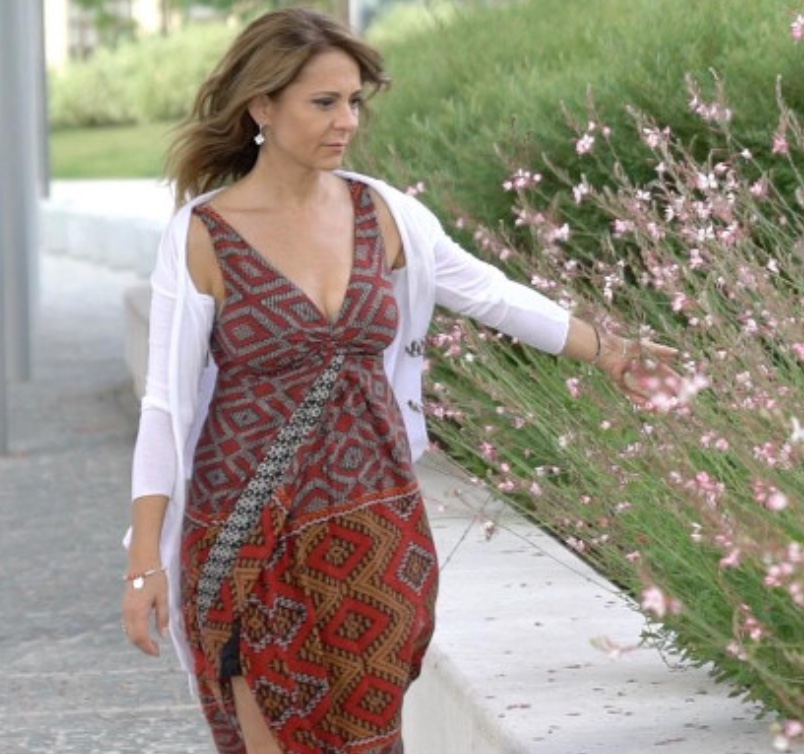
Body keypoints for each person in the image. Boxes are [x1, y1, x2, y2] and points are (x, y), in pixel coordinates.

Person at [120, 7, 677, 754]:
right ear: (262, 107)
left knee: (371, 739)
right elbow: (164, 405)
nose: (346, 121)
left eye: (354, 101)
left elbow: (491, 294)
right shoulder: (202, 234)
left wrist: (610, 351)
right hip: (247, 531)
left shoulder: (384, 214)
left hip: (375, 523)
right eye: (324, 102)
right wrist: (143, 563)